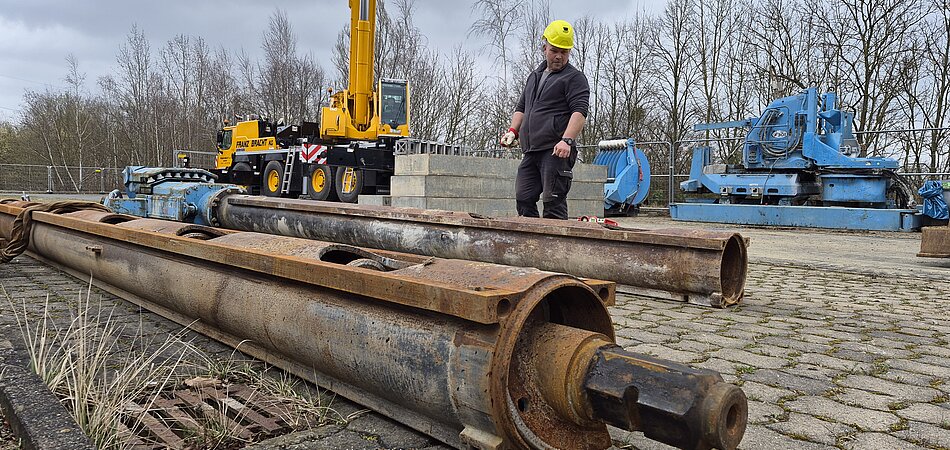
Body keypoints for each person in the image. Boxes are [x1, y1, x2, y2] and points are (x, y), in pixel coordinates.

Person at [500, 19, 590, 220]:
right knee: (523, 198)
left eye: (564, 52)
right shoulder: (534, 76)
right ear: (545, 48)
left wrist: (567, 140)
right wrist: (513, 131)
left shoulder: (574, 78)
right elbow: (522, 108)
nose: (559, 56)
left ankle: (555, 240)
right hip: (531, 150)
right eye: (554, 50)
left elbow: (579, 111)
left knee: (553, 202)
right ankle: (531, 238)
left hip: (556, 150)